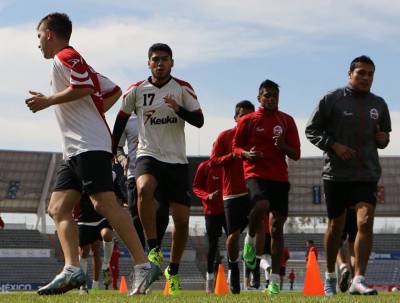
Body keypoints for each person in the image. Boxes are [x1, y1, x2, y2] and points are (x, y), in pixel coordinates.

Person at [26, 12, 159, 295]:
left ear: (49, 34)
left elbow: (85, 86)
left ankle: (142, 264)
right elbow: (112, 90)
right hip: (75, 149)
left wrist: (49, 100)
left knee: (104, 204)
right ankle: (73, 269)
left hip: (89, 145)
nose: (38, 44)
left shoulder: (66, 56)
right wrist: (94, 112)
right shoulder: (75, 63)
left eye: (39, 36)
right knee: (57, 208)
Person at [112, 43, 204, 295]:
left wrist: (179, 109)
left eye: (165, 59)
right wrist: (112, 150)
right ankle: (153, 248)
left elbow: (199, 121)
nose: (160, 63)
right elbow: (120, 121)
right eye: (155, 59)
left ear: (172, 63)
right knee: (143, 187)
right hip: (148, 154)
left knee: (182, 221)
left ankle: (172, 271)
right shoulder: (137, 90)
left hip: (176, 160)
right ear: (148, 63)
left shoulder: (183, 88)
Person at [305, 55, 391, 296]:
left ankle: (359, 279)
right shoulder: (331, 99)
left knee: (365, 221)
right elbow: (311, 130)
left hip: (367, 173)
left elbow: (384, 137)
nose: (365, 77)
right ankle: (331, 275)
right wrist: (334, 145)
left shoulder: (380, 104)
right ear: (350, 74)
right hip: (336, 175)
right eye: (361, 72)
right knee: (336, 225)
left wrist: (383, 139)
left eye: (370, 74)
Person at [233, 79, 301, 295]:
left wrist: (283, 146)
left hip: (279, 178)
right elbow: (235, 147)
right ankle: (250, 239)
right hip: (256, 174)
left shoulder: (287, 121)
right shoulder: (248, 120)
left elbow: (296, 153)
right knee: (260, 207)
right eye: (267, 95)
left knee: (276, 228)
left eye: (274, 95)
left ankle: (273, 279)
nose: (271, 99)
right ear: (259, 98)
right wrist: (246, 154)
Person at [210, 100, 255, 294]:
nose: (246, 119)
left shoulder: (258, 137)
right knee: (233, 236)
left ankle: (250, 245)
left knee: (260, 219)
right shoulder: (225, 136)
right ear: (236, 118)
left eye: (250, 116)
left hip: (253, 188)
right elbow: (213, 161)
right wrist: (233, 156)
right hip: (232, 193)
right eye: (243, 116)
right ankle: (234, 267)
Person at [116, 114, 170, 250]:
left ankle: (155, 252)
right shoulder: (127, 119)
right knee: (136, 217)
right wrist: (123, 160)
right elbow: (117, 146)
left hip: (158, 172)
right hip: (133, 173)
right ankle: (141, 262)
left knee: (162, 214)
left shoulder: (159, 114)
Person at [192, 159, 226, 294]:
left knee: (232, 240)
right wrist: (207, 196)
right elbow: (196, 187)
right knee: (213, 246)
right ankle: (210, 280)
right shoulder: (204, 166)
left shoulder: (228, 166)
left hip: (227, 210)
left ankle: (233, 279)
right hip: (211, 212)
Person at [336, 207, 357, 292]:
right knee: (352, 248)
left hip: (340, 209)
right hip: (355, 210)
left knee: (337, 245)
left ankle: (343, 267)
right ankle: (355, 279)